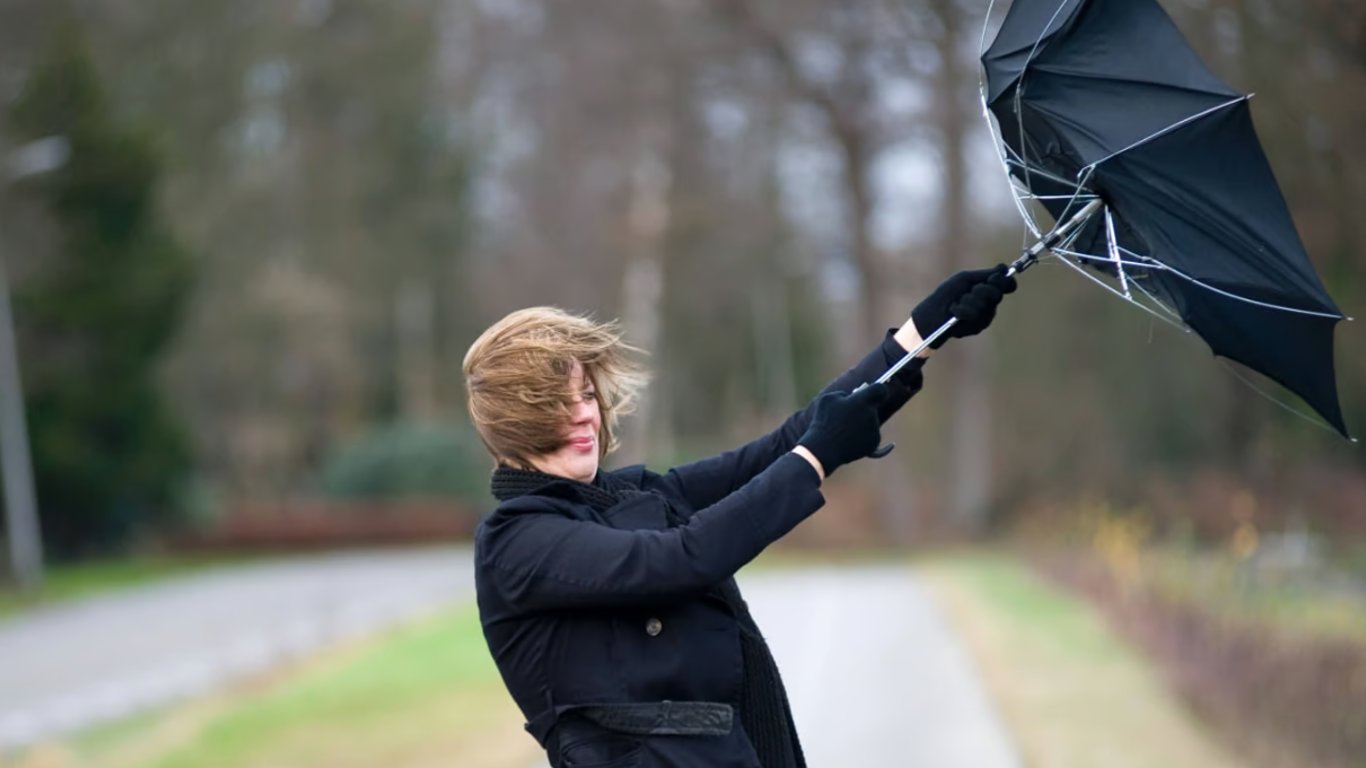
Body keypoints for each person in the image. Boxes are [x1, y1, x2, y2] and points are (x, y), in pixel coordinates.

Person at [463, 266, 1017, 768]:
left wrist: (918, 338)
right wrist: (816, 458)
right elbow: (680, 559)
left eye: (586, 395)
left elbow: (782, 446)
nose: (584, 413)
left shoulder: (629, 496)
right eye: (558, 404)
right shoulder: (517, 542)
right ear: (516, 421)